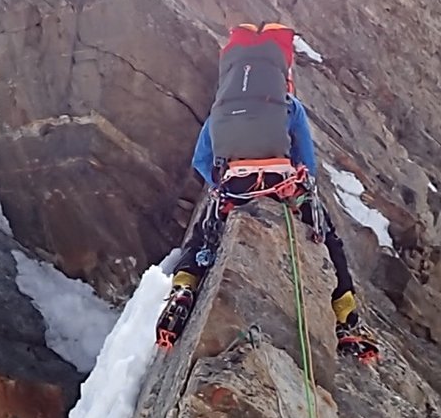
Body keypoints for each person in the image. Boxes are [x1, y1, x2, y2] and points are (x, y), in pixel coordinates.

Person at [156, 22, 379, 363]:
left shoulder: (220, 109)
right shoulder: (288, 105)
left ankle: (184, 286)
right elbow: (307, 164)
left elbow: (201, 160)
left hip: (235, 187)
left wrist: (222, 187)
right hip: (282, 187)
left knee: (201, 236)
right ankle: (345, 319)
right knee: (331, 240)